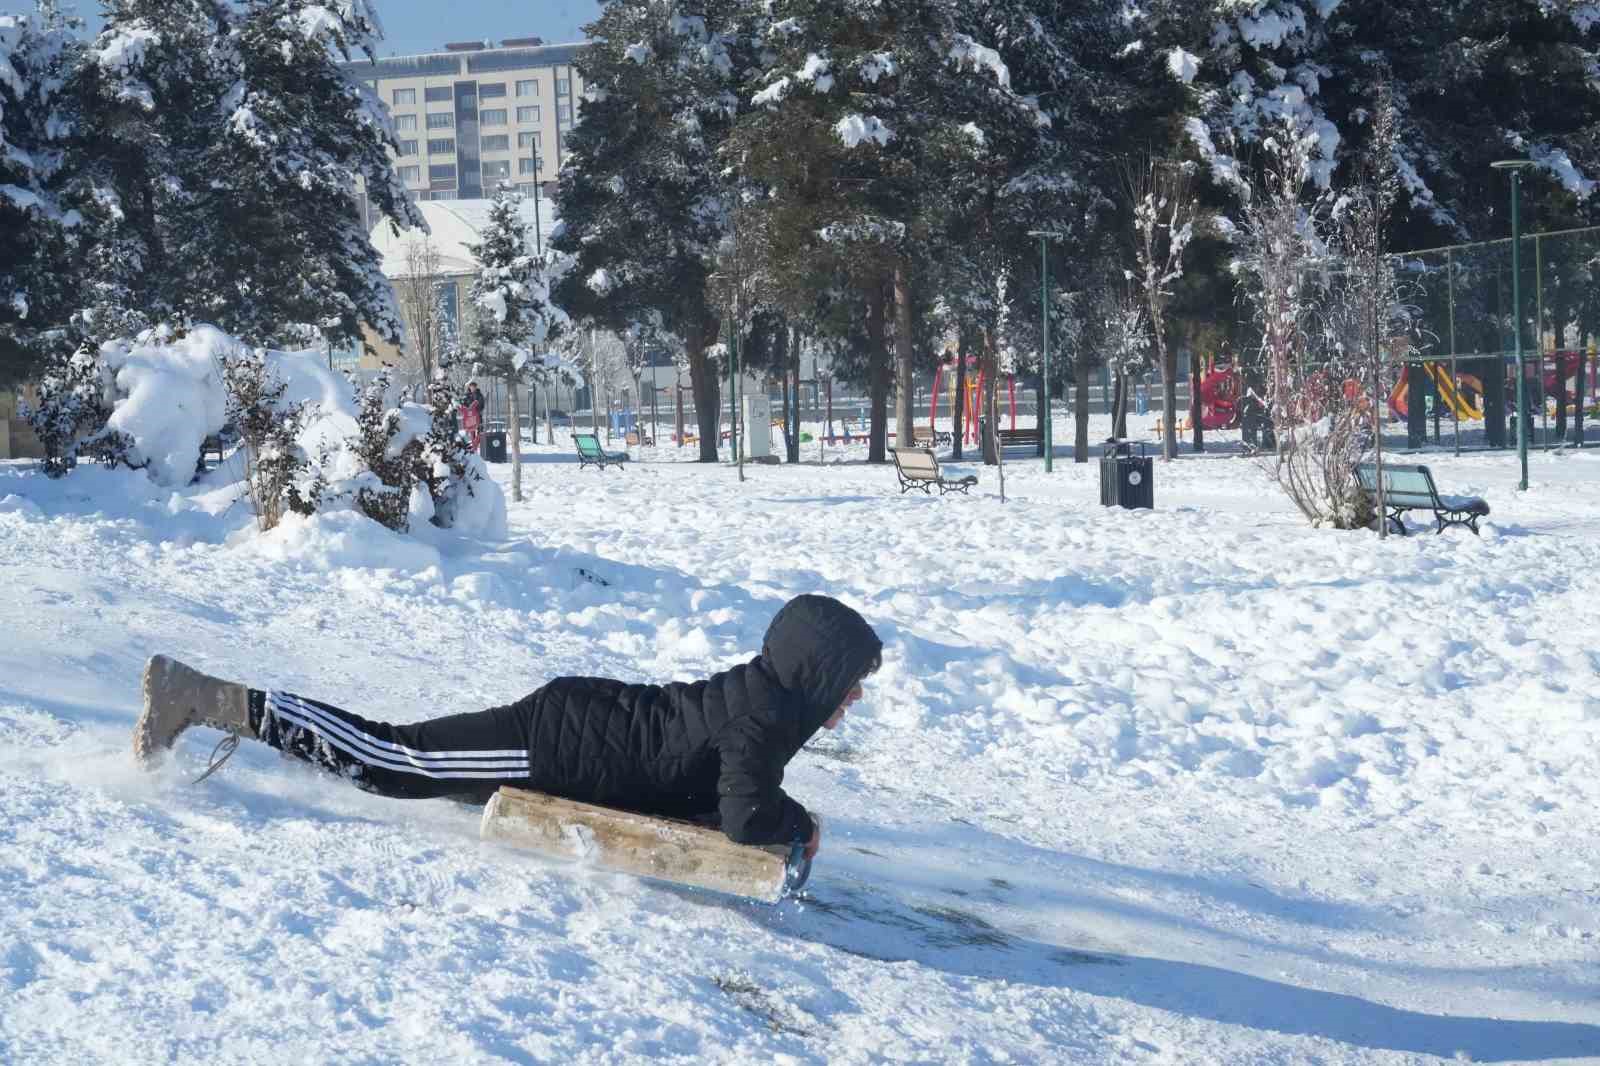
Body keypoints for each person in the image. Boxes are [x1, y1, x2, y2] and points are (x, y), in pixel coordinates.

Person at [132, 595, 882, 860]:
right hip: (560, 741)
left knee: (397, 759)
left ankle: (203, 698)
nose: (849, 701)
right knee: (388, 758)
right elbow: (747, 815)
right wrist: (800, 824)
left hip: (583, 730)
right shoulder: (763, 716)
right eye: (849, 686)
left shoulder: (766, 704)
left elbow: (720, 794)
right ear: (816, 675)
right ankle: (199, 696)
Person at [460, 380, 486, 453]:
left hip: (478, 416)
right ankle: (474, 448)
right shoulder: (466, 396)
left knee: (480, 431)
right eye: (471, 387)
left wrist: (477, 410)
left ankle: (476, 444)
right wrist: (466, 410)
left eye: (474, 387)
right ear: (469, 387)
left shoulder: (479, 395)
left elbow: (482, 404)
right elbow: (463, 405)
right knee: (472, 432)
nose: (472, 388)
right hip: (469, 417)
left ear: (476, 387)